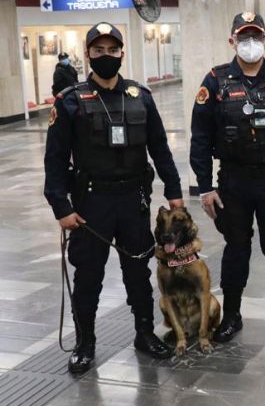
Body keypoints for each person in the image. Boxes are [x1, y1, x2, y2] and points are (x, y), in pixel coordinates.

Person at [44, 22, 182, 374]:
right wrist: (61, 207)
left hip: (134, 200)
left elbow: (161, 149)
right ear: (88, 54)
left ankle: (144, 333)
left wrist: (175, 191)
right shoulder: (71, 100)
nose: (106, 56)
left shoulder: (141, 97)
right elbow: (55, 160)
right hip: (91, 204)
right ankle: (85, 343)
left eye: (112, 50)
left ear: (122, 53)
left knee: (137, 273)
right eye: (99, 50)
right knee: (88, 276)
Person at [190, 12, 265, 344]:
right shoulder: (215, 81)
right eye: (244, 38)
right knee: (236, 249)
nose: (250, 44)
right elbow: (200, 136)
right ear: (232, 41)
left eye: (256, 37)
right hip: (233, 182)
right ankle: (231, 316)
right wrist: (204, 187)